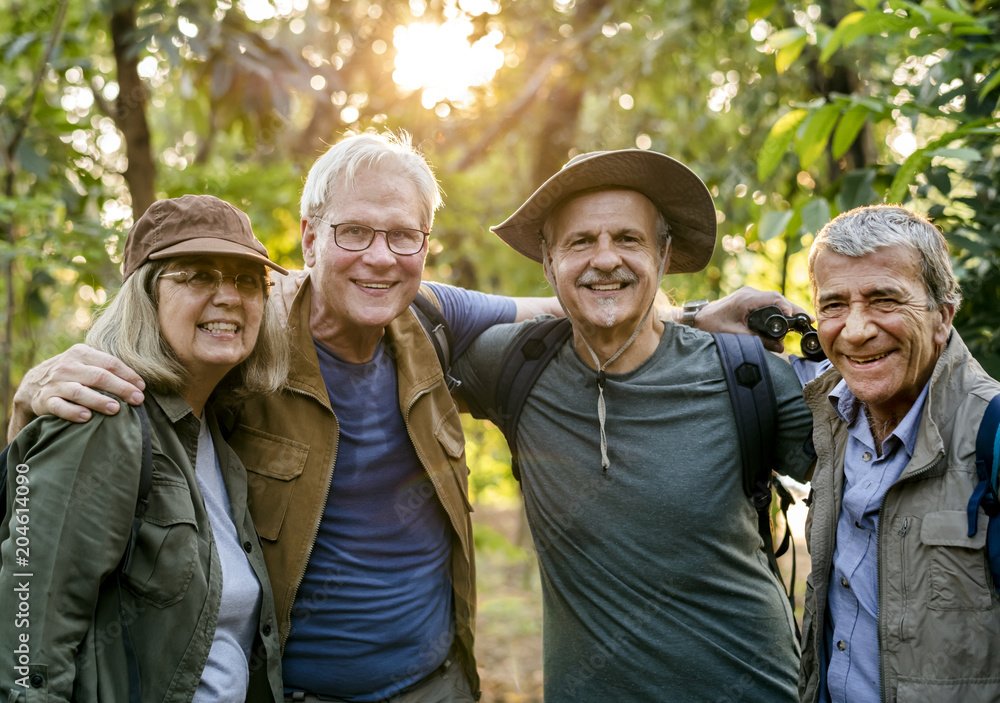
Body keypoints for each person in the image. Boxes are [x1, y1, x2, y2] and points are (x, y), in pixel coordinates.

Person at [6, 133, 807, 701]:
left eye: (402, 235)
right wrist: (46, 385)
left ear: (426, 244)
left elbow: (578, 299)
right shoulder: (248, 341)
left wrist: (701, 314)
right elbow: (147, 372)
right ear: (311, 237)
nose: (379, 257)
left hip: (438, 684)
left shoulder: (433, 318)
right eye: (354, 232)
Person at [450, 149, 815, 702]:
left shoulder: (746, 375)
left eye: (628, 239)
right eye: (580, 242)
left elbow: (875, 477)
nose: (605, 259)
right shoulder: (513, 365)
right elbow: (409, 309)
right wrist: (688, 311)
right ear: (548, 263)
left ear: (663, 255)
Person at [0, 195, 287, 701]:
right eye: (198, 275)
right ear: (146, 296)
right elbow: (27, 644)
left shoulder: (217, 437)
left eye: (246, 280)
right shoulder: (100, 418)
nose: (228, 295)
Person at [798, 205, 1000, 703]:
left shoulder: (991, 433)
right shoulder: (827, 417)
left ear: (942, 316)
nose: (856, 330)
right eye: (834, 305)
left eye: (885, 300)